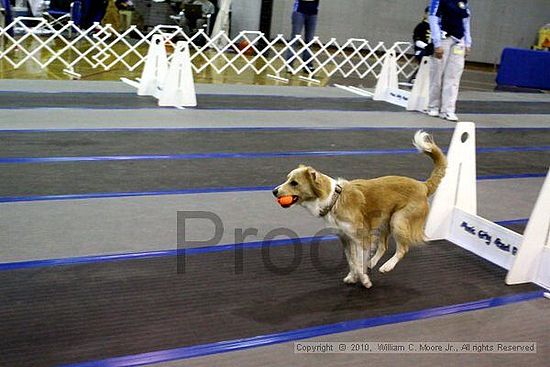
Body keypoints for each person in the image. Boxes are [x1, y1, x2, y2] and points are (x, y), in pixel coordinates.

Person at [426, 0, 472, 122]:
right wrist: (437, 43)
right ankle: (433, 106)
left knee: (453, 77)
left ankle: (448, 110)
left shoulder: (463, 2)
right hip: (443, 39)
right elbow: (433, 18)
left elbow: (466, 22)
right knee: (437, 75)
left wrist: (468, 42)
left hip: (458, 41)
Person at [285, 0, 320, 73]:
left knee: (309, 40)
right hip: (299, 12)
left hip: (313, 13)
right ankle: (289, 64)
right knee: (295, 39)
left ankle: (307, 64)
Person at [409, 6, 434, 83]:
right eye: (429, 13)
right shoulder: (421, 26)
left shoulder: (436, 27)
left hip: (432, 51)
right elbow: (417, 41)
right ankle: (415, 78)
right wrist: (426, 47)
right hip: (421, 50)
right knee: (424, 58)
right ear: (425, 14)